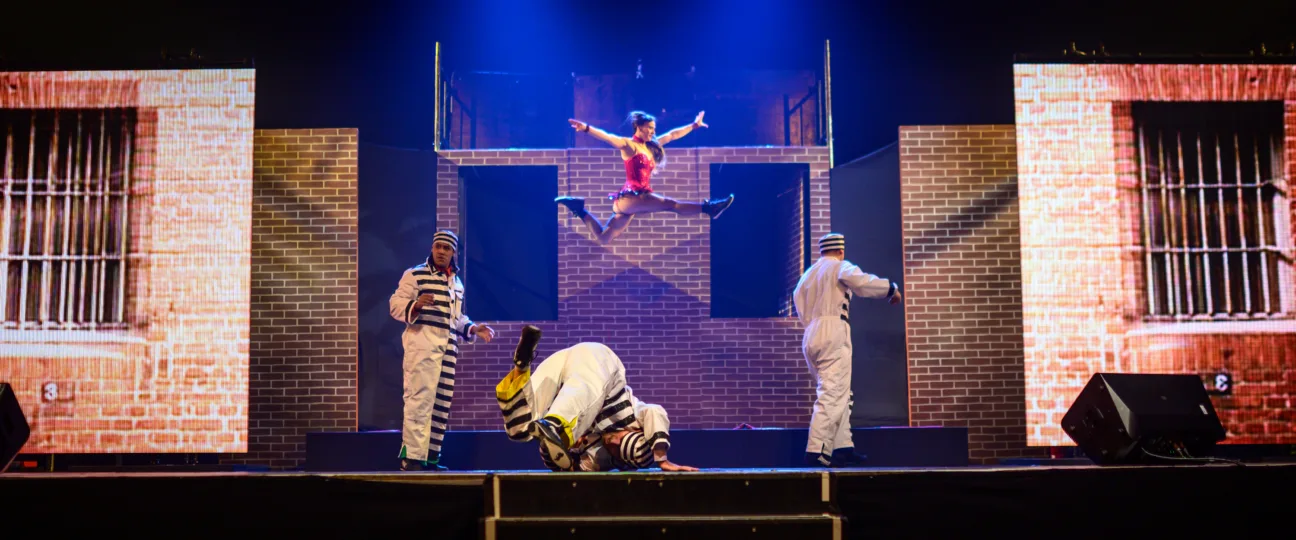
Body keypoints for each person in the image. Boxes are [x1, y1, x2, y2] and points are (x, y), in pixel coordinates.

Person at [496, 325, 698, 472]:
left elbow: (572, 468)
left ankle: (521, 365)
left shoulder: (599, 457)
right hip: (597, 359)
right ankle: (556, 424)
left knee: (521, 428)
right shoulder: (635, 413)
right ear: (635, 431)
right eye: (621, 440)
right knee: (585, 390)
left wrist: (564, 457)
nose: (613, 442)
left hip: (562, 365)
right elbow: (656, 412)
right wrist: (662, 459)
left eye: (616, 450)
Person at [388, 230, 496, 471]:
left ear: (453, 252)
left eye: (446, 248)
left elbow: (455, 318)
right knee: (419, 400)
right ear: (432, 248)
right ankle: (412, 458)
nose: (441, 251)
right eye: (438, 246)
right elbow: (395, 304)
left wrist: (473, 327)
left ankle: (430, 457)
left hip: (447, 349)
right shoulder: (416, 274)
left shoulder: (455, 283)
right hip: (423, 346)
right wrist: (416, 305)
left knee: (440, 404)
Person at [792, 233, 902, 468]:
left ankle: (842, 447)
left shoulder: (806, 276)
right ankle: (816, 450)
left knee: (839, 391)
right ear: (841, 251)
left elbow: (799, 306)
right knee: (832, 392)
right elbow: (862, 283)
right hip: (833, 329)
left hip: (811, 333)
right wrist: (890, 289)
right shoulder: (839, 266)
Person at [556, 110, 735, 245]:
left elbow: (672, 135)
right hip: (632, 197)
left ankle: (579, 209)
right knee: (671, 204)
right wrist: (586, 128)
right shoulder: (629, 145)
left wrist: (694, 125)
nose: (652, 132)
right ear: (639, 127)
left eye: (654, 129)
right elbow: (608, 137)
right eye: (649, 128)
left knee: (604, 238)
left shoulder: (650, 146)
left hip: (630, 203)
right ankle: (709, 208)